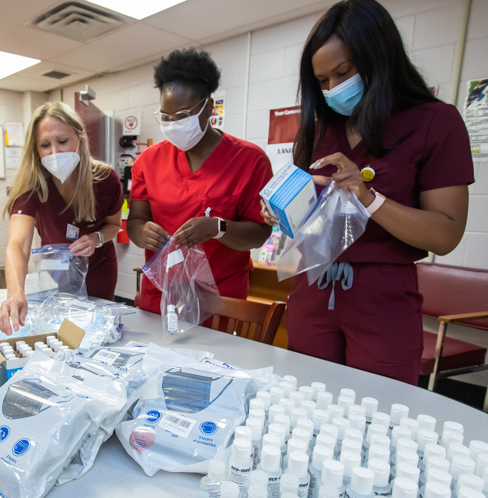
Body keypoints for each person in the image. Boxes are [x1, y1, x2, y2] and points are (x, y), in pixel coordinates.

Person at [269, 0, 472, 384]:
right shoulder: (318, 131)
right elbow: (310, 226)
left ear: (379, 57)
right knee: (306, 403)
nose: (332, 89)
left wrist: (368, 197)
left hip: (381, 298)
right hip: (313, 284)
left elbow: (445, 234)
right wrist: (285, 212)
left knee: (380, 413)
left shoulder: (433, 122)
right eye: (322, 81)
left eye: (343, 73)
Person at [127, 48, 272, 315]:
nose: (173, 124)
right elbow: (135, 220)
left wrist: (219, 227)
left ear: (210, 107)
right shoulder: (148, 161)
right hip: (161, 291)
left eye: (182, 116)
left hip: (218, 297)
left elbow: (260, 233)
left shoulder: (250, 160)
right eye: (166, 117)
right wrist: (142, 232)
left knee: (213, 357)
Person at [0, 101, 123, 335]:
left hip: (99, 269)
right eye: (45, 145)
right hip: (57, 274)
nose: (54, 152)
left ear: (80, 137)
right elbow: (18, 244)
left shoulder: (106, 179)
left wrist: (96, 238)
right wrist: (15, 293)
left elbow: (114, 225)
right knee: (62, 333)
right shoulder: (32, 186)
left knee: (98, 333)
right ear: (36, 149)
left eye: (62, 141)